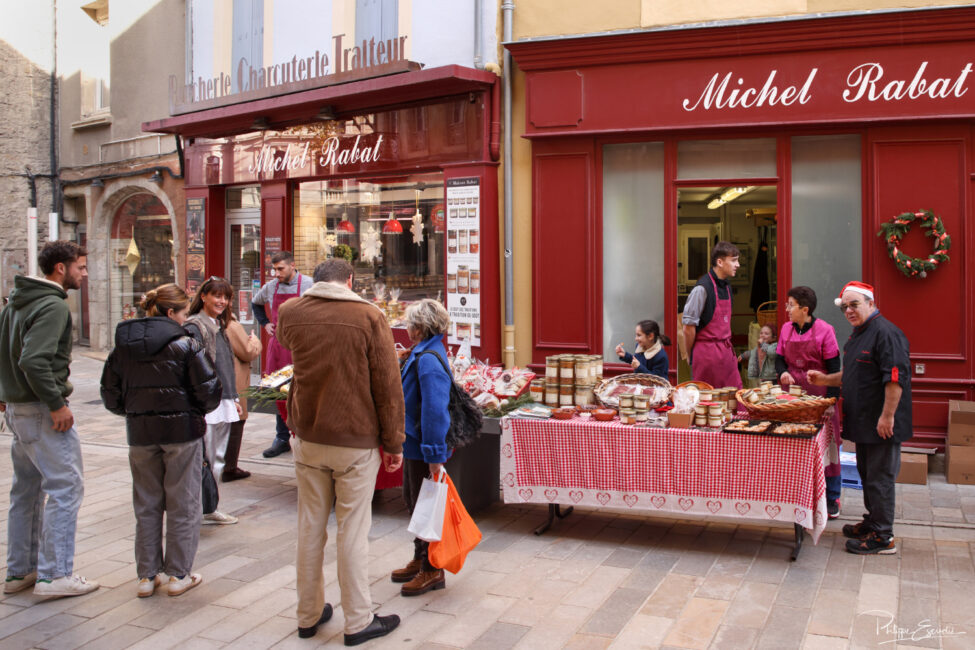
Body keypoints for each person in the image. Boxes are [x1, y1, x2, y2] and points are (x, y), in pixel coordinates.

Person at [277, 258, 404, 644]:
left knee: (309, 526)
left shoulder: (290, 311)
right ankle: (359, 620)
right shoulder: (369, 316)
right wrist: (393, 441)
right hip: (354, 438)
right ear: (349, 280)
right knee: (352, 532)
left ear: (315, 282)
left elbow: (286, 346)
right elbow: (386, 384)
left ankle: (308, 614)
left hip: (309, 435)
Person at [100, 284, 221, 597]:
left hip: (141, 434)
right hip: (181, 433)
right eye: (183, 313)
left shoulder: (122, 347)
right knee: (183, 503)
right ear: (171, 313)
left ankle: (146, 574)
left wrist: (135, 412)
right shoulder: (185, 345)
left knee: (147, 504)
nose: (185, 319)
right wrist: (191, 410)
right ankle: (179, 574)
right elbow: (209, 391)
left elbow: (110, 396)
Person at [0, 241, 99, 597]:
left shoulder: (17, 300)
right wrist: (57, 403)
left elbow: (5, 348)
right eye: (81, 267)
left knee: (25, 490)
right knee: (65, 487)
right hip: (41, 411)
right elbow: (32, 360)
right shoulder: (53, 305)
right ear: (61, 268)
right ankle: (55, 575)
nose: (84, 274)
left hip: (18, 410)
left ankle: (19, 572)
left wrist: (4, 393)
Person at [808, 281, 911, 555]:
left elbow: (894, 380)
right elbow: (851, 373)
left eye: (855, 305)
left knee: (880, 478)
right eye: (845, 307)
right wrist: (824, 378)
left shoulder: (886, 333)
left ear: (871, 303)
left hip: (881, 424)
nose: (849, 311)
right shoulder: (859, 334)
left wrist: (887, 417)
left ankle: (883, 537)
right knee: (868, 475)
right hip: (866, 422)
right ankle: (873, 522)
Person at [395, 299, 452, 596]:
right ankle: (420, 558)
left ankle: (432, 569)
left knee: (426, 506)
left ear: (419, 328)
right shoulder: (421, 353)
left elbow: (434, 410)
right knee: (413, 499)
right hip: (414, 444)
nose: (406, 327)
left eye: (409, 323)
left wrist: (434, 456)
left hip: (424, 446)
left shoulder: (428, 359)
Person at [775, 286, 843, 518]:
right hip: (792, 395)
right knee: (794, 443)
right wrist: (783, 372)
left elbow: (835, 369)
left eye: (790, 305)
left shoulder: (826, 330)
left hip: (820, 396)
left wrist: (831, 401)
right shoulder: (786, 329)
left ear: (805, 309)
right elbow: (779, 360)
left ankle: (832, 496)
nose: (786, 309)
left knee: (828, 446)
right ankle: (795, 492)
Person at [184, 277, 240, 525]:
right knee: (206, 458)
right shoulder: (195, 326)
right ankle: (201, 507)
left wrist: (233, 396)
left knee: (216, 457)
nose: (221, 301)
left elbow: (225, 364)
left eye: (225, 297)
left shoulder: (218, 324)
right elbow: (196, 367)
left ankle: (209, 505)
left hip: (223, 398)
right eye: (217, 296)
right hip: (207, 402)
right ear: (203, 296)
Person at [252, 251, 314, 458]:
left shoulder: (309, 284)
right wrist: (265, 323)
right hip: (278, 346)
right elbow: (256, 303)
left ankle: (303, 433)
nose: (276, 273)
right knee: (279, 390)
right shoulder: (270, 287)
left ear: (292, 265)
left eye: (281, 269)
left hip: (302, 344)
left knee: (301, 390)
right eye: (274, 269)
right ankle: (281, 437)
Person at [681, 241, 743, 388]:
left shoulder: (727, 286)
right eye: (734, 260)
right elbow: (688, 328)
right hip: (706, 356)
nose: (738, 264)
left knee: (734, 399)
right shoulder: (702, 288)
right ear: (720, 262)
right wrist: (691, 356)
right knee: (708, 403)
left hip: (727, 354)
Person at [223, 315, 262, 481]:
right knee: (236, 422)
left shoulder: (196, 321)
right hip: (233, 379)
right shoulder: (230, 325)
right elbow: (248, 352)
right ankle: (229, 467)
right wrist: (255, 340)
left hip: (216, 381)